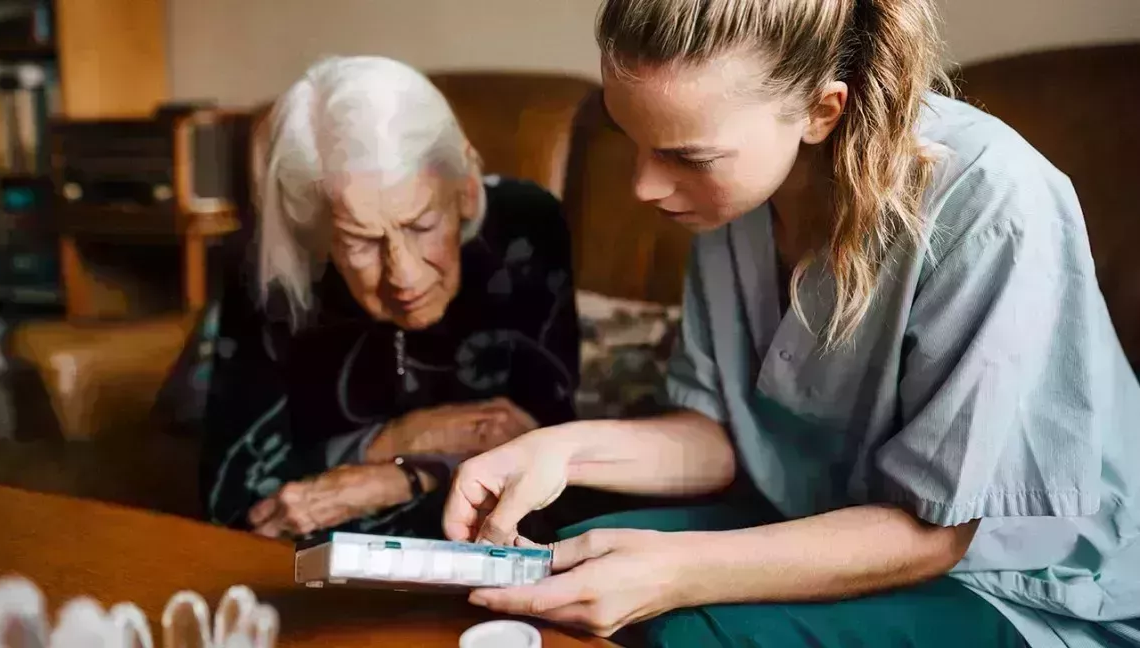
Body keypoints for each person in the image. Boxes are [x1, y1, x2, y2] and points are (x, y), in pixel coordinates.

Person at [441, 1, 1140, 647]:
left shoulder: (989, 201)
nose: (643, 189)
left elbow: (935, 535)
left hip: (1022, 583)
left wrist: (678, 571)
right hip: (821, 513)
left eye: (686, 157)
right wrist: (561, 451)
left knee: (681, 630)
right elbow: (721, 437)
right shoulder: (735, 193)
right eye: (634, 141)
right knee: (569, 554)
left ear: (821, 111)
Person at [197, 55, 580, 541]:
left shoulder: (526, 228)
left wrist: (403, 476)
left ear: (464, 186)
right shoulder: (271, 269)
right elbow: (231, 499)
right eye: (360, 242)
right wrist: (400, 440)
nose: (404, 274)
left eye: (422, 226)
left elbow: (550, 445)